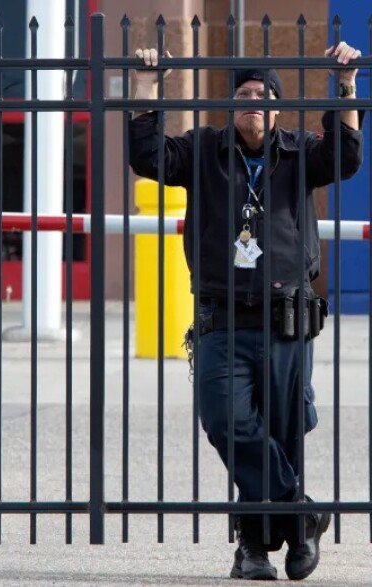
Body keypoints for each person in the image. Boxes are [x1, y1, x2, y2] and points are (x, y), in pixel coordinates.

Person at [128, 42, 363, 581]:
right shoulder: (205, 150)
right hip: (222, 318)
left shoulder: (298, 151)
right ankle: (301, 516)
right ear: (231, 106)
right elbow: (149, 159)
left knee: (281, 431)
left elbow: (346, 158)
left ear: (277, 108)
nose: (252, 101)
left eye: (263, 95)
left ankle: (258, 550)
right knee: (226, 420)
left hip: (286, 316)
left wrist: (345, 85)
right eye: (243, 94)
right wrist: (147, 85)